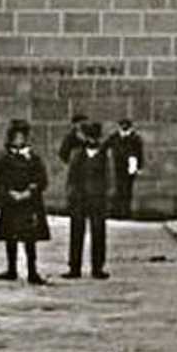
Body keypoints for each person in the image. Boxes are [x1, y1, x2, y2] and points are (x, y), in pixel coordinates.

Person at [0, 118, 50, 285]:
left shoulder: (33, 158)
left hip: (29, 203)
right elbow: (1, 179)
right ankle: (11, 269)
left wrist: (29, 192)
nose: (19, 140)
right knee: (10, 237)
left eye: (21, 137)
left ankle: (32, 271)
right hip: (11, 202)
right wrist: (9, 193)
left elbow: (42, 179)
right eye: (16, 137)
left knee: (29, 238)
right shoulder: (6, 158)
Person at [64, 119, 111, 279]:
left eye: (95, 138)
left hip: (98, 200)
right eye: (90, 137)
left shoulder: (104, 155)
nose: (92, 140)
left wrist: (107, 197)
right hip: (80, 199)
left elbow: (109, 178)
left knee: (98, 233)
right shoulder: (77, 154)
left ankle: (97, 267)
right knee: (76, 232)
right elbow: (71, 178)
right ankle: (74, 267)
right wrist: (71, 197)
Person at [108, 113, 143, 220]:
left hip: (130, 165)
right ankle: (118, 211)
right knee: (119, 188)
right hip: (118, 165)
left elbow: (139, 153)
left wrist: (139, 167)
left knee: (127, 189)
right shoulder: (115, 136)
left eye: (125, 125)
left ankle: (125, 211)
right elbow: (106, 145)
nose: (123, 127)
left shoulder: (135, 138)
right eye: (121, 125)